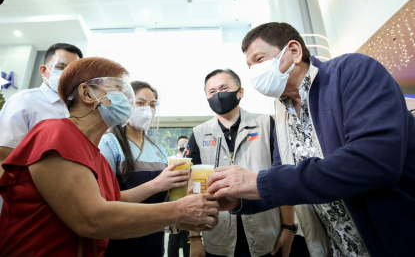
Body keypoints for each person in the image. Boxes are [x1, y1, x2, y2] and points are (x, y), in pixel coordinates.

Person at [207, 22, 415, 257]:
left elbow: (375, 161)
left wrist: (257, 182)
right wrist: (238, 200)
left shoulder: (351, 71)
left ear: (294, 51)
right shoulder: (283, 113)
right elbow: (283, 181)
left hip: (393, 240)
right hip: (338, 248)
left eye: (260, 59)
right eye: (249, 65)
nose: (254, 71)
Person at [0, 57, 219, 256]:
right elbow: (93, 218)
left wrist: (177, 221)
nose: (128, 101)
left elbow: (116, 203)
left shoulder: (94, 154)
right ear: (87, 94)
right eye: (118, 89)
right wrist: (179, 210)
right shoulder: (55, 133)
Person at [188, 69, 294, 257]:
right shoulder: (198, 133)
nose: (218, 95)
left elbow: (282, 176)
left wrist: (288, 227)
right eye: (212, 92)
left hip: (266, 232)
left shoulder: (266, 124)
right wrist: (195, 238)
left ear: (240, 92)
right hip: (217, 235)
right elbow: (193, 187)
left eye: (224, 88)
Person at [99, 81, 189, 257]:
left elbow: (164, 197)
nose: (147, 109)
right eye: (140, 103)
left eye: (152, 104)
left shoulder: (158, 149)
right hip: (120, 239)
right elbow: (106, 200)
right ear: (125, 104)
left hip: (153, 237)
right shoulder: (109, 143)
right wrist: (156, 184)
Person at [0, 43, 83, 175]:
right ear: (44, 70)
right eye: (61, 67)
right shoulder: (23, 101)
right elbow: (4, 156)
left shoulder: (77, 108)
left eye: (74, 70)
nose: (68, 74)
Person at [168, 135, 191, 257]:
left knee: (188, 236)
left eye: (185, 143)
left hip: (189, 201)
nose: (183, 145)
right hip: (175, 202)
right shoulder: (172, 161)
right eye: (181, 143)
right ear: (177, 146)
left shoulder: (192, 161)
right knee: (174, 238)